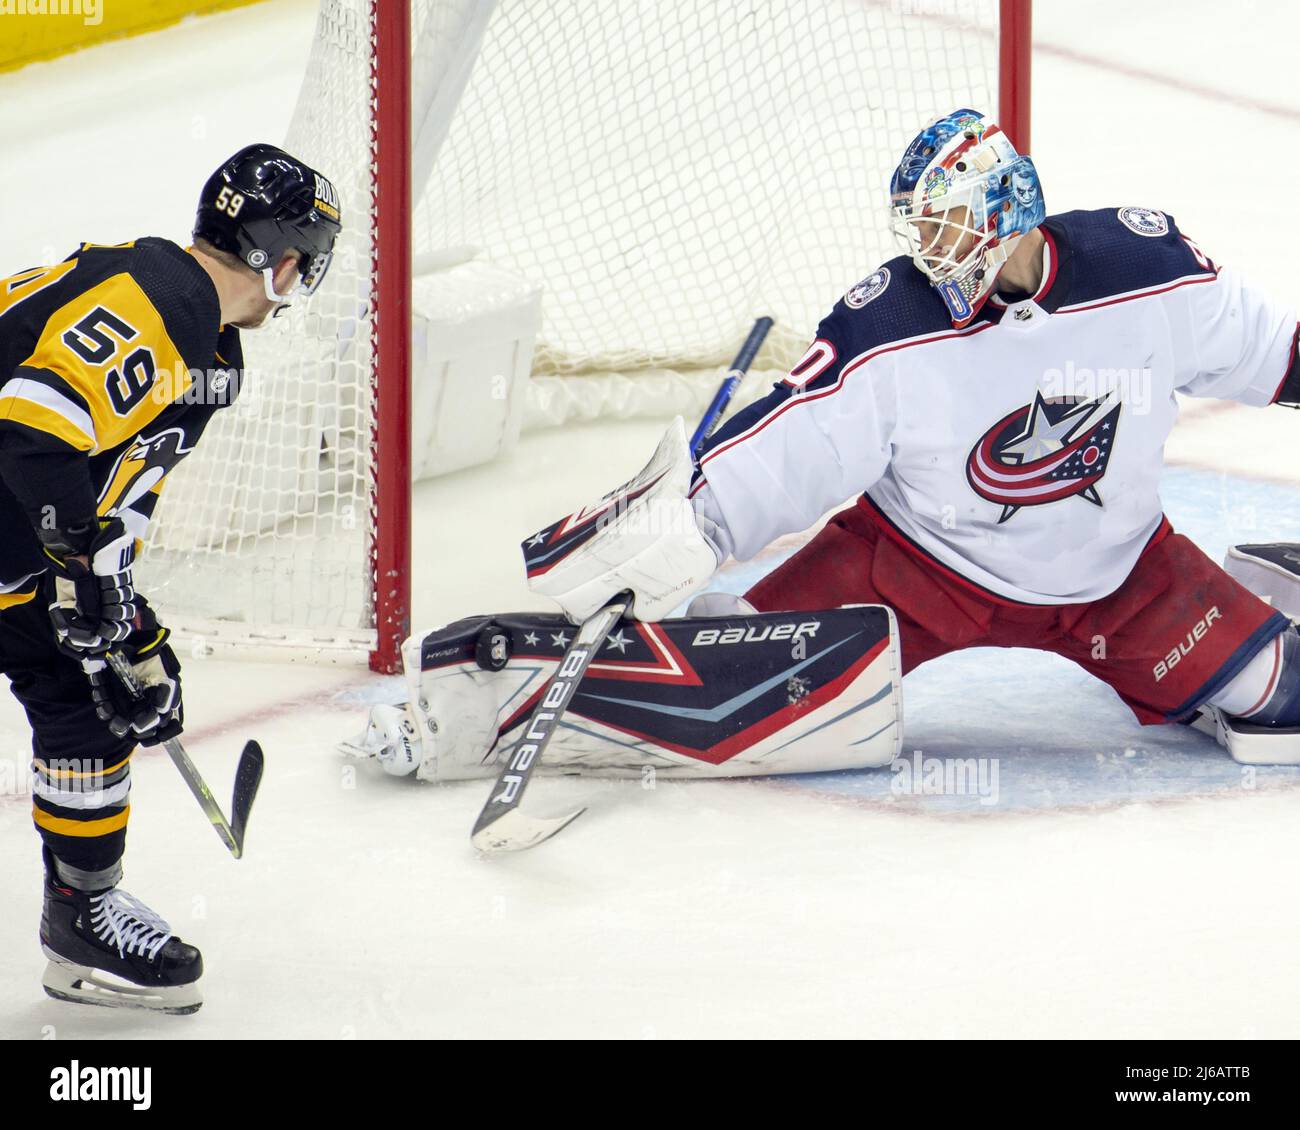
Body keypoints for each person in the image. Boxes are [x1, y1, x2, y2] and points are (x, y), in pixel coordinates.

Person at [358, 108, 1300, 784]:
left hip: (1127, 579)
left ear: (1008, 209)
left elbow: (1273, 354)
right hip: (915, 571)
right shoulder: (893, 322)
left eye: (949, 222)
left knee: (1283, 693)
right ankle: (476, 696)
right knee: (722, 687)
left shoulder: (1148, 272)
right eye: (921, 226)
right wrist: (682, 527)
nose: (932, 246)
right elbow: (790, 442)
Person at [0, 143, 340, 1013]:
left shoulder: (202, 332)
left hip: (17, 539)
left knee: (87, 696)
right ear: (284, 261)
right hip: (16, 525)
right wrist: (82, 573)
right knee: (83, 686)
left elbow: (102, 483)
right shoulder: (161, 310)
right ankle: (83, 913)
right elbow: (34, 430)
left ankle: (83, 917)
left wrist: (125, 616)